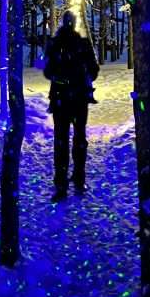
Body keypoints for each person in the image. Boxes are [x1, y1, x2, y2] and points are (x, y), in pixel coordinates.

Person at [43, 10, 100, 200]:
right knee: (73, 140)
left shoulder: (76, 44)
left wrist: (72, 75)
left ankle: (69, 181)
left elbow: (93, 69)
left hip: (70, 99)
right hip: (71, 99)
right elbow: (49, 70)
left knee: (69, 141)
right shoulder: (75, 44)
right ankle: (70, 181)